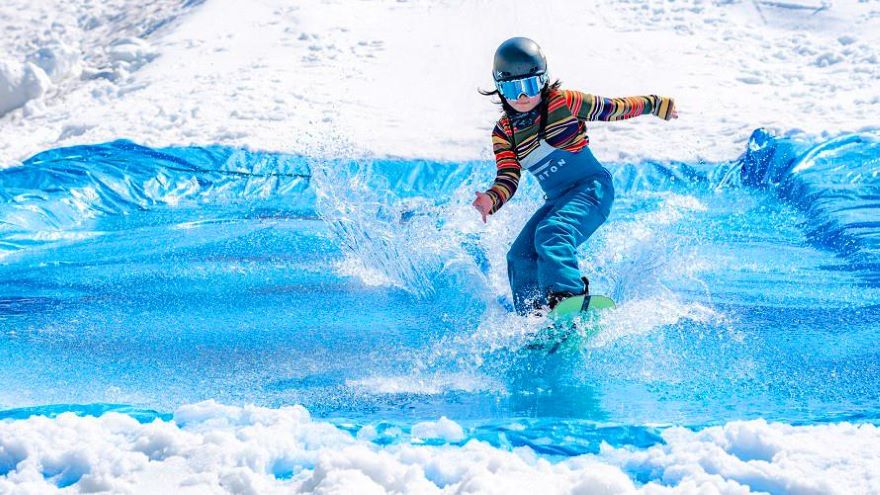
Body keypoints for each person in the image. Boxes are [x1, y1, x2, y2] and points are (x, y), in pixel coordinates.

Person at [473, 37, 678, 315]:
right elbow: (508, 177)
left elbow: (614, 108)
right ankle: (533, 316)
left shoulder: (565, 103)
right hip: (557, 200)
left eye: (530, 85)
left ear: (543, 80)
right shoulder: (504, 132)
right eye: (513, 88)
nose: (522, 97)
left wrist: (655, 104)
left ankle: (568, 298)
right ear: (499, 89)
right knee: (519, 256)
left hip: (592, 189)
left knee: (552, 233)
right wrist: (491, 199)